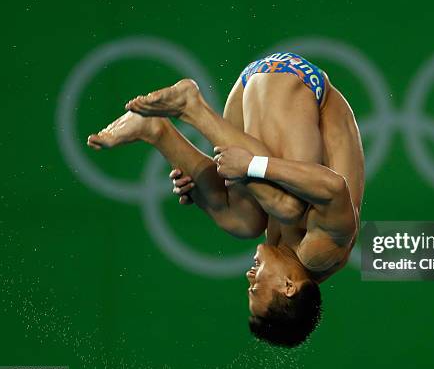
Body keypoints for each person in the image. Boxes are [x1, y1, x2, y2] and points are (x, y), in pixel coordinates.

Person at [87, 52, 364, 347]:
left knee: (242, 223)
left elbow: (236, 184)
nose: (249, 275)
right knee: (288, 207)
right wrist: (250, 167)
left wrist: (198, 187)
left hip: (253, 94)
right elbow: (334, 187)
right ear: (289, 286)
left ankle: (155, 131)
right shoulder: (322, 253)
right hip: (291, 80)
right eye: (255, 286)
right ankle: (190, 108)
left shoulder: (286, 252)